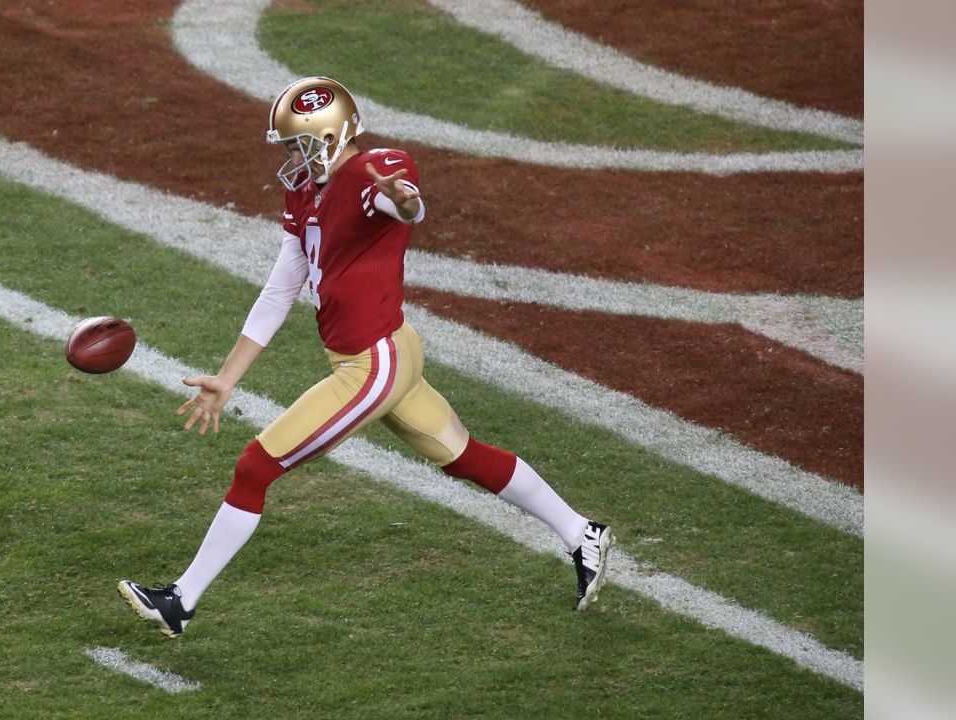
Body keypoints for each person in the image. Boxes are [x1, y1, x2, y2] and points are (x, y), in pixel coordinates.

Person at [118, 77, 611, 637]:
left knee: (255, 467)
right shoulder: (305, 192)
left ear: (330, 135)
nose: (291, 158)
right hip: (381, 355)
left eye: (297, 145)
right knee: (463, 455)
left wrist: (405, 200)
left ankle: (180, 600)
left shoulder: (371, 172)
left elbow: (399, 202)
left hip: (373, 363)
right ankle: (580, 531)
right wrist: (228, 378)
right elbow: (281, 289)